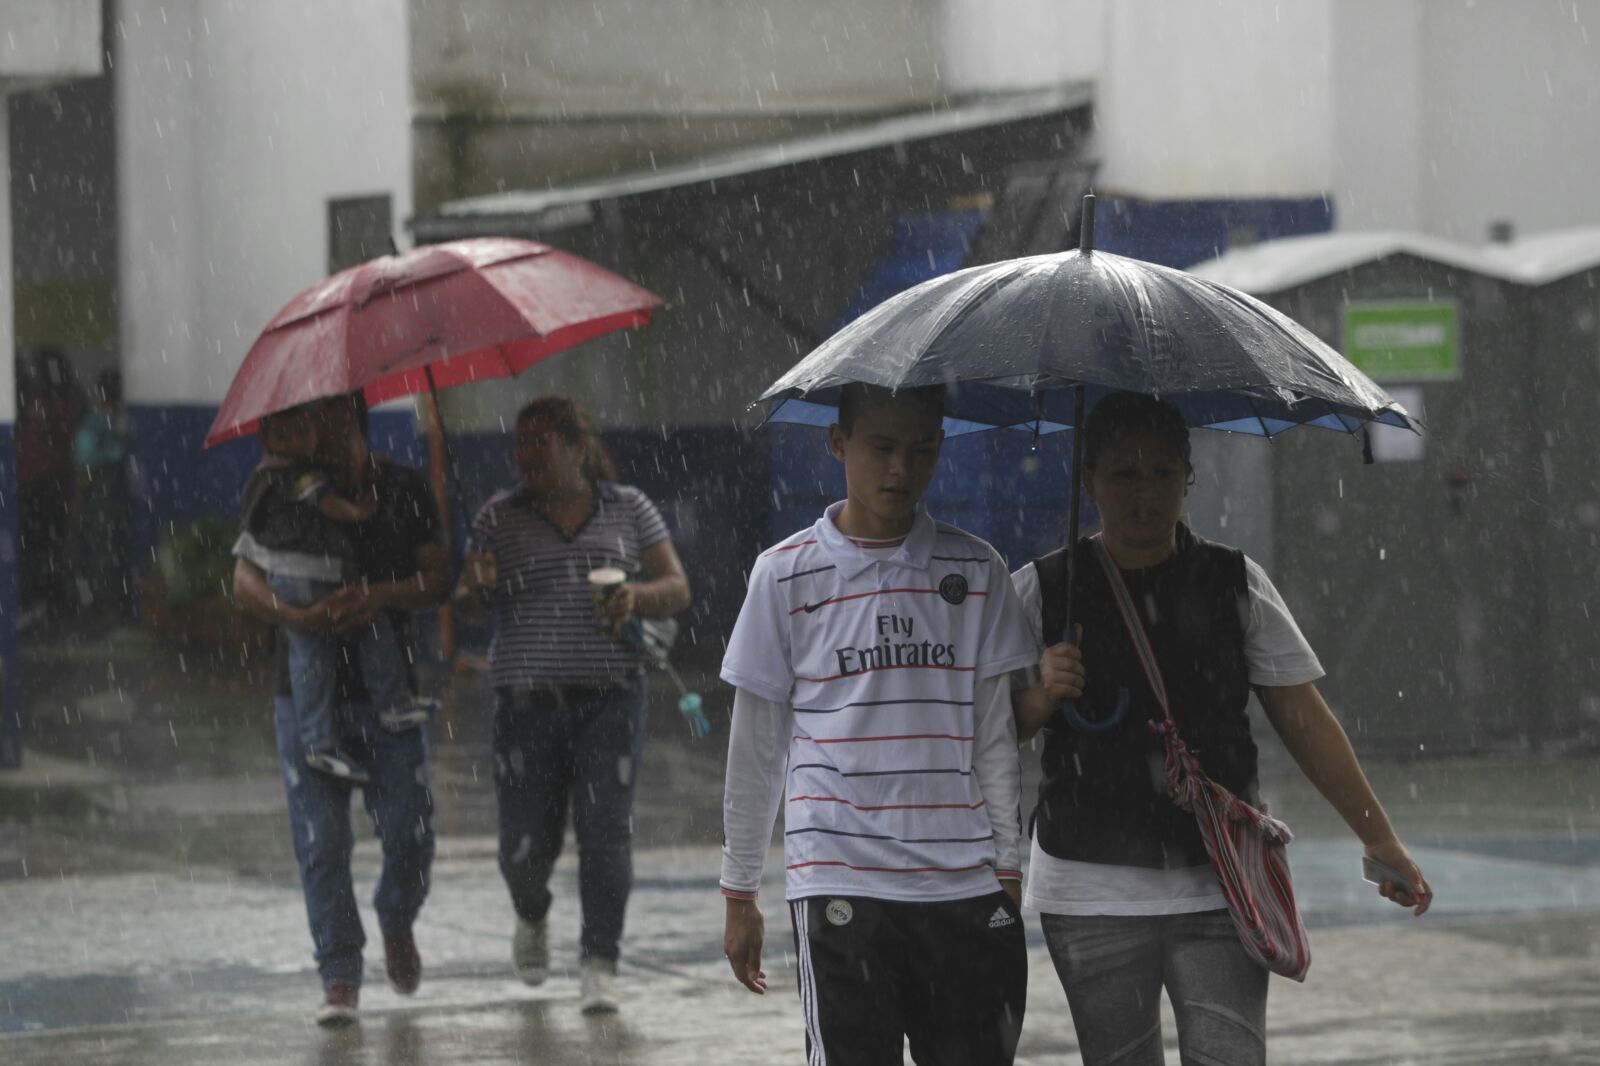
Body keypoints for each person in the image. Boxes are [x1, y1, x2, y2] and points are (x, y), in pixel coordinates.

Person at [1011, 391, 1434, 1066]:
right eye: (1123, 474)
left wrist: (1380, 839)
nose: (1143, 495)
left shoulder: (1236, 583)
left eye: (1162, 475)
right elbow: (986, 731)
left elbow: (1304, 719)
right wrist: (1041, 693)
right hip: (1088, 884)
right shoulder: (1041, 589)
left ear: (1189, 480)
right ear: (1087, 480)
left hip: (1220, 881)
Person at [720, 383, 1037, 1066]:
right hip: (839, 879)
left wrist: (1007, 865)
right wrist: (739, 888)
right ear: (838, 445)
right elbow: (757, 747)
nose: (900, 469)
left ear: (940, 449)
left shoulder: (977, 570)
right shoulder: (783, 576)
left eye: (920, 451)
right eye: (881, 448)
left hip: (962, 881)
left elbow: (994, 738)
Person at [454, 396, 691, 1015]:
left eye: (540, 442)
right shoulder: (496, 519)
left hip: (610, 701)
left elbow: (677, 587)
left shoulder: (630, 508)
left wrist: (636, 596)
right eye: (520, 444)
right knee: (524, 848)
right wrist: (475, 586)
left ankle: (599, 962)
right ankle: (531, 914)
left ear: (577, 447)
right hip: (524, 705)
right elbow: (467, 601)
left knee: (605, 836)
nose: (526, 456)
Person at [232, 393, 449, 1026]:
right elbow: (245, 579)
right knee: (321, 843)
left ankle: (396, 915)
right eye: (295, 421)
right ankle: (340, 974)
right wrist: (298, 616)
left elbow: (437, 578)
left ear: (349, 420)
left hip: (390, 701)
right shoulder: (282, 486)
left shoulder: (404, 487)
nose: (301, 433)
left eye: (315, 419)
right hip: (304, 701)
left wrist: (381, 594)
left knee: (410, 829)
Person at [235, 404, 435, 783]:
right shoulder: (298, 474)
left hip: (296, 578)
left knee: (312, 653)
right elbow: (325, 504)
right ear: (266, 438)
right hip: (314, 576)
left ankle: (321, 741)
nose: (297, 440)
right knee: (350, 630)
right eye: (286, 434)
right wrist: (359, 513)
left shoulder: (262, 479)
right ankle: (385, 706)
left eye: (302, 430)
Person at [72, 369, 131, 624]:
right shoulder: (123, 424)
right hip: (119, 500)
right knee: (114, 550)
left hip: (99, 501)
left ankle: (103, 607)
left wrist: (76, 505)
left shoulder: (92, 425)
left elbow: (82, 469)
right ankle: (114, 605)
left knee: (99, 553)